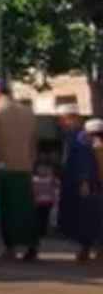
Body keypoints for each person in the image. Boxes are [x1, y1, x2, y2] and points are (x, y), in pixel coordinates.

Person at [0, 77, 39, 261]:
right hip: (25, 166)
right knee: (26, 209)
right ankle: (32, 245)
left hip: (3, 166)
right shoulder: (27, 111)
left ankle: (10, 247)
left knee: (6, 210)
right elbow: (33, 142)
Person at [58, 110, 103, 262]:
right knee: (89, 219)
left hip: (90, 186)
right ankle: (89, 249)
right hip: (88, 186)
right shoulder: (79, 142)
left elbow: (85, 164)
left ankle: (89, 249)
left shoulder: (82, 141)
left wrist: (84, 182)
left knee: (89, 219)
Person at [32, 162, 58, 244]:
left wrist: (54, 200)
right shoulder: (35, 179)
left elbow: (54, 188)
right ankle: (39, 232)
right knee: (39, 217)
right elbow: (34, 191)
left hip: (47, 202)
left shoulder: (50, 179)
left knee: (45, 217)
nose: (42, 171)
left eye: (44, 169)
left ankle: (44, 232)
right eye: (40, 169)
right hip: (39, 202)